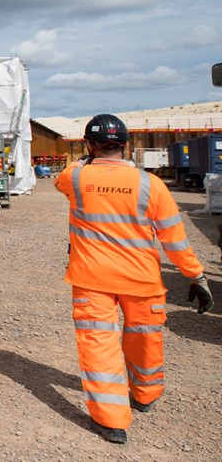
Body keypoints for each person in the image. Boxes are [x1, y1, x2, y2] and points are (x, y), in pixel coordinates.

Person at [53, 113, 213, 445]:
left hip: (92, 278)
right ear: (126, 147)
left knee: (99, 345)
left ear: (89, 145)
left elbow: (63, 177)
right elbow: (174, 239)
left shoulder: (76, 178)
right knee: (145, 339)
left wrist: (88, 158)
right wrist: (195, 275)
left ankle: (112, 421)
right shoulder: (151, 184)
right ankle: (144, 395)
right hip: (142, 280)